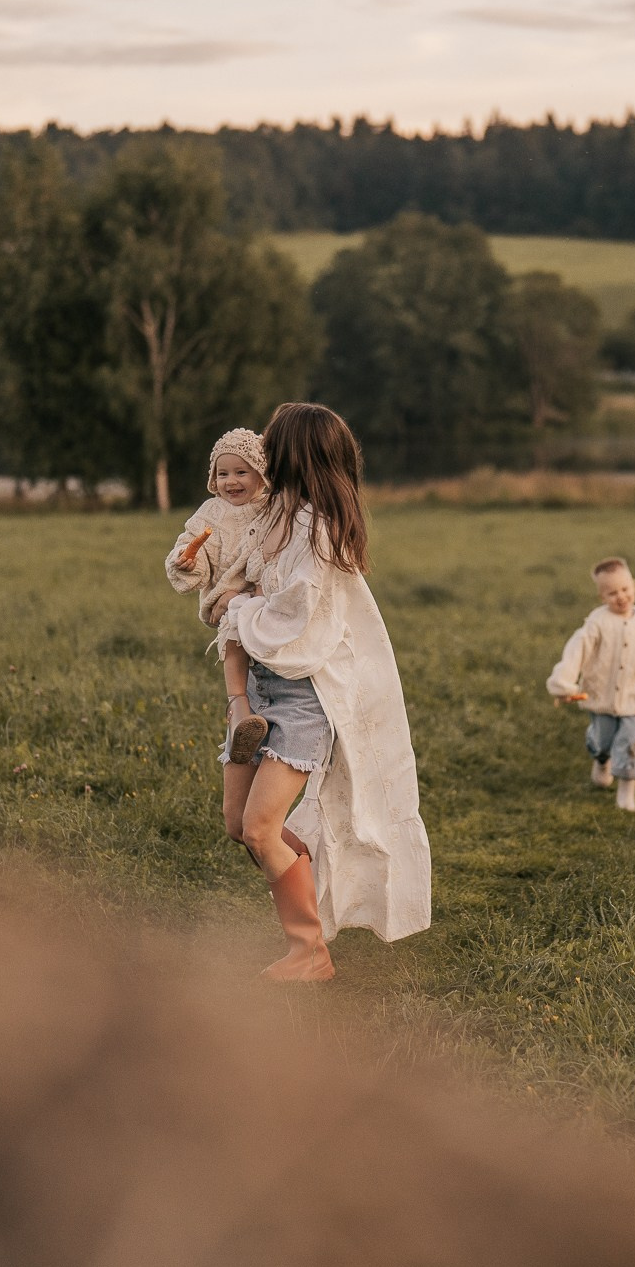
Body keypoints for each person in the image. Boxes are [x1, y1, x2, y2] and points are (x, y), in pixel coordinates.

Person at [213, 403, 431, 980]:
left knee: (260, 829)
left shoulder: (320, 528)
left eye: (271, 444)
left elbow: (296, 615)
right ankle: (304, 873)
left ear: (292, 453)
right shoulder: (277, 516)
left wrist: (236, 607)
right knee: (240, 826)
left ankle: (309, 952)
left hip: (303, 697)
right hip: (259, 688)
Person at [165, 428, 272, 767]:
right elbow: (193, 543)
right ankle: (238, 706)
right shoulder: (212, 512)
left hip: (262, 594)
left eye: (241, 472)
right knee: (235, 639)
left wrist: (249, 591)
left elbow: (273, 556)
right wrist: (187, 560)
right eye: (222, 473)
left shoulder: (271, 508)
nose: (231, 481)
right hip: (229, 604)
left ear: (261, 473)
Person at [547, 556, 635, 812]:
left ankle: (627, 790)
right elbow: (576, 652)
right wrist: (564, 682)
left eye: (625, 589)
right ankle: (601, 758)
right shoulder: (597, 622)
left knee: (628, 741)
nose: (621, 596)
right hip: (602, 697)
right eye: (612, 592)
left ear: (634, 585)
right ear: (601, 596)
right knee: (604, 739)